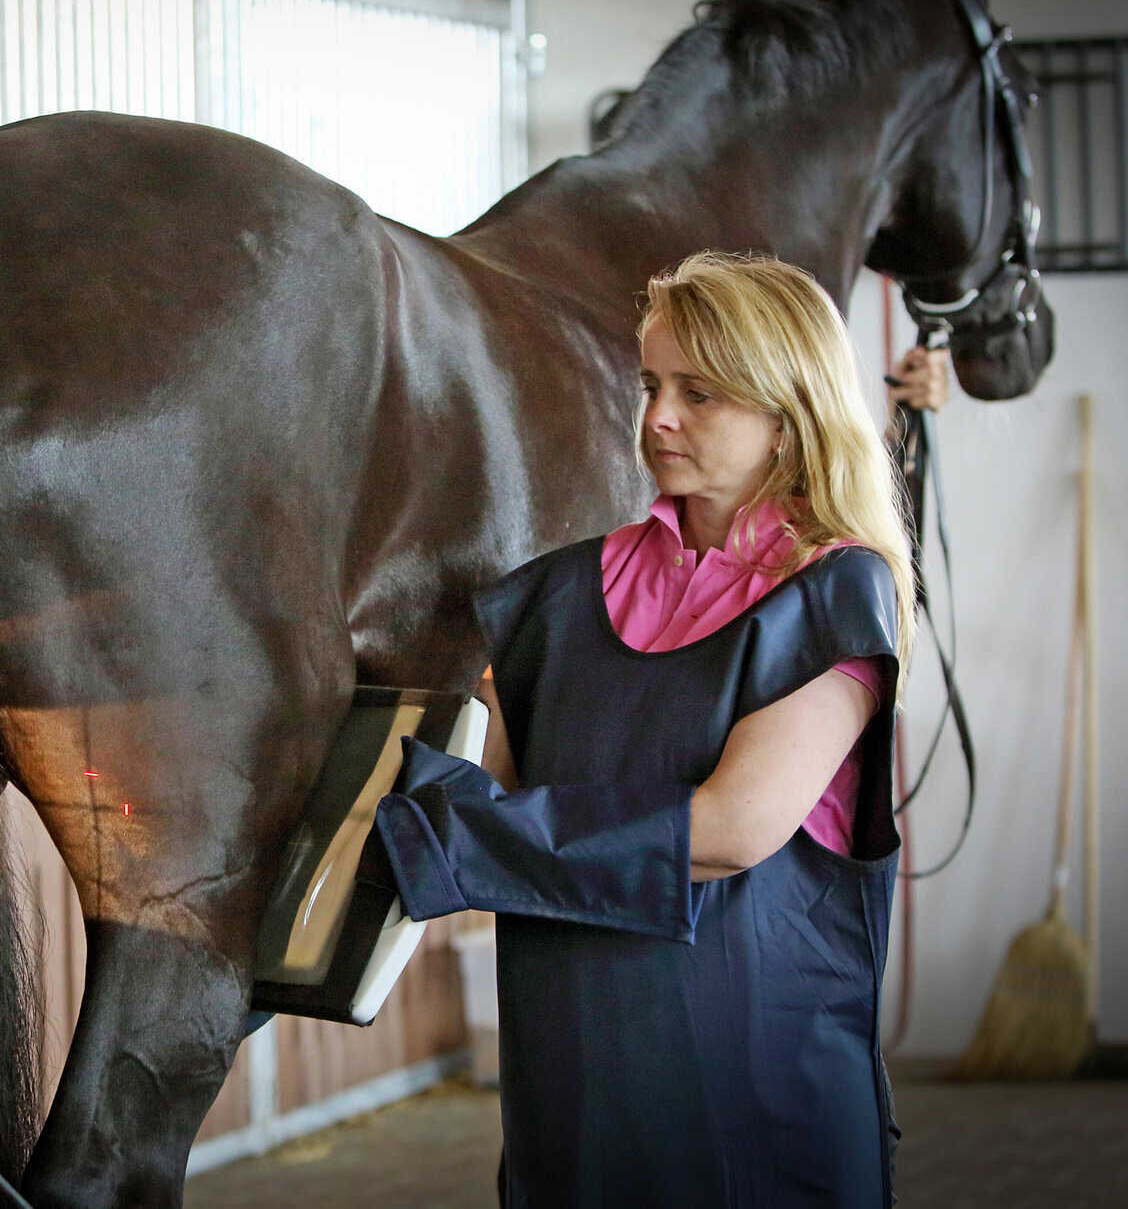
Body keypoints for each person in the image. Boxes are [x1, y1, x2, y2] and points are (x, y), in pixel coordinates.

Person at [370, 251, 918, 1208]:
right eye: (651, 384)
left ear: (788, 414)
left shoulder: (836, 592)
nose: (658, 417)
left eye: (699, 393)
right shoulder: (553, 595)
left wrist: (462, 838)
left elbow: (731, 829)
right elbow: (467, 780)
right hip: (570, 1081)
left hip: (757, 1090)